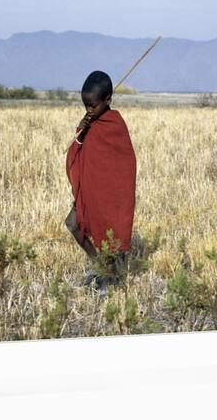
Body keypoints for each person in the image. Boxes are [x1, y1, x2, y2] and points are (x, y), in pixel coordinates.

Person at [65, 70, 137, 294]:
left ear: (108, 100)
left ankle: (108, 277)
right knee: (73, 225)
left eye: (93, 106)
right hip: (89, 192)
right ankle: (98, 265)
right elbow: (76, 152)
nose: (89, 110)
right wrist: (81, 128)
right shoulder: (89, 123)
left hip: (110, 196)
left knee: (109, 236)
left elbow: (123, 164)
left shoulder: (115, 124)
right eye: (85, 105)